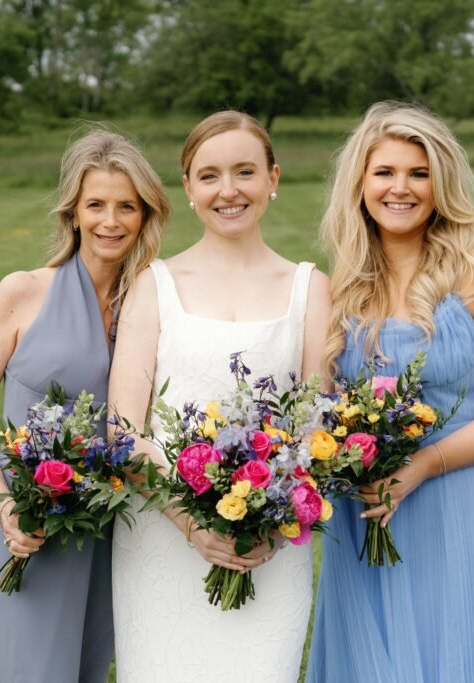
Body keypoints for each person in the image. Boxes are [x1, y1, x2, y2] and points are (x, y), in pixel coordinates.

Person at [306, 101, 474, 682]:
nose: (402, 188)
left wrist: (422, 464)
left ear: (441, 185)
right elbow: (320, 400)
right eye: (385, 172)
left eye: (419, 174)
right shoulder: (340, 287)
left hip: (467, 497)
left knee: (467, 649)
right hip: (368, 508)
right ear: (360, 183)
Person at [0, 130, 171, 683]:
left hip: (108, 530)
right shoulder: (22, 292)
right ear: (73, 212)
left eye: (126, 207)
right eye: (96, 205)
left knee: (84, 668)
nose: (110, 221)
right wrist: (3, 503)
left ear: (144, 216)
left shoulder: (150, 304)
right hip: (27, 527)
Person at [107, 111, 331, 682]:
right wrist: (192, 524)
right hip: (162, 538)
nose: (227, 190)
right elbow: (122, 431)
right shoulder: (153, 285)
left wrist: (269, 517)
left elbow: (315, 427)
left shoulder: (310, 287)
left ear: (273, 179)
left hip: (270, 546)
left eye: (245, 172)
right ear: (188, 188)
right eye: (209, 176)